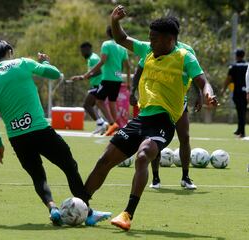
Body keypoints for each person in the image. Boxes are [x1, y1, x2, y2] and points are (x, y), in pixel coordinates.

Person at [82, 6, 218, 231]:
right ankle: (81, 203)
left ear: (169, 40)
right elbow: (121, 38)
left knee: (143, 156)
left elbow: (203, 81)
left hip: (163, 122)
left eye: (154, 39)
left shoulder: (185, 57)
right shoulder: (147, 50)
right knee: (104, 160)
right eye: (150, 38)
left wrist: (207, 95)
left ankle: (127, 214)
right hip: (141, 119)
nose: (150, 42)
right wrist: (115, 21)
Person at [0, 40, 111, 226]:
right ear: (10, 51)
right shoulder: (22, 63)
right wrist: (45, 62)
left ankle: (53, 208)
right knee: (69, 166)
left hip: (17, 137)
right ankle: (87, 213)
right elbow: (55, 74)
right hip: (41, 130)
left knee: (38, 176)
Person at [130, 17, 204, 190]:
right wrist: (133, 89)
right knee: (154, 139)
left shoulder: (186, 51)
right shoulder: (154, 49)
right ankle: (155, 178)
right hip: (157, 102)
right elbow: (140, 69)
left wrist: (199, 94)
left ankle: (185, 177)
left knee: (184, 137)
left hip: (179, 101)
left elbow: (196, 74)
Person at [83, 26, 131, 136]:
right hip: (118, 79)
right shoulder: (122, 47)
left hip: (107, 78)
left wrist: (89, 73)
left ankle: (111, 124)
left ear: (108, 33)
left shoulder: (106, 44)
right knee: (112, 103)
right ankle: (116, 127)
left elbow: (103, 61)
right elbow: (128, 66)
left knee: (99, 101)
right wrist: (128, 82)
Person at [70, 42, 108, 134]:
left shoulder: (93, 58)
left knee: (87, 105)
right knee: (92, 105)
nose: (82, 53)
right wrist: (83, 77)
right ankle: (104, 124)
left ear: (87, 50)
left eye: (83, 51)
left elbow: (99, 71)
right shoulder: (91, 58)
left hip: (98, 84)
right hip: (96, 85)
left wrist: (83, 77)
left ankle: (102, 124)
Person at [222, 49, 248, 138]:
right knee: (242, 111)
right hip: (246, 91)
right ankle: (240, 129)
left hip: (237, 92)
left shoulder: (233, 66)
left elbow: (228, 79)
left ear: (236, 56)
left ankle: (242, 132)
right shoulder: (248, 65)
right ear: (244, 55)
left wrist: (224, 89)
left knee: (240, 111)